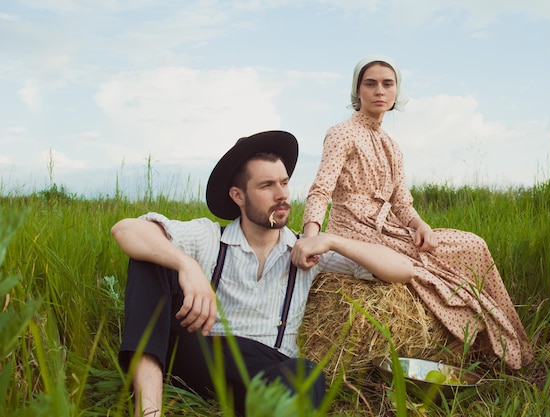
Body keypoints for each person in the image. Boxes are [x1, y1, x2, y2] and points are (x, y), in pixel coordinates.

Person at [112, 130, 419, 417]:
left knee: (307, 374)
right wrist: (186, 265)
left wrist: (332, 240)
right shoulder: (208, 237)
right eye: (266, 186)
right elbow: (126, 229)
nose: (281, 195)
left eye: (284, 183)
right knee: (150, 258)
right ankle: (149, 410)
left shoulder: (308, 250)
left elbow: (404, 269)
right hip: (201, 355)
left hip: (266, 368)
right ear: (238, 196)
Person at [298, 55, 533, 370]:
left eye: (387, 83)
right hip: (354, 229)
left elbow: (401, 202)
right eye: (370, 84)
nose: (379, 90)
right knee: (431, 272)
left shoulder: (392, 146)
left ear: (396, 91)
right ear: (357, 91)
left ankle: (501, 343)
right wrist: (312, 237)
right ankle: (482, 342)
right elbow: (321, 189)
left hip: (391, 227)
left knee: (472, 244)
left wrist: (420, 224)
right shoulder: (342, 133)